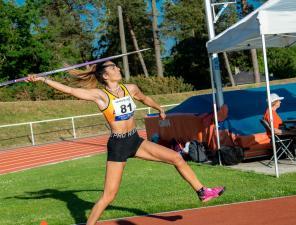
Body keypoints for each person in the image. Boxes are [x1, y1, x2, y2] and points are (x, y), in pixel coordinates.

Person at [26, 61, 225, 225]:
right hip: (119, 145)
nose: (118, 69)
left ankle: (202, 191)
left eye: (116, 66)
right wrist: (44, 79)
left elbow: (144, 98)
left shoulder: (130, 88)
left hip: (134, 140)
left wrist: (159, 108)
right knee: (109, 196)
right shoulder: (101, 96)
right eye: (113, 68)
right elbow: (70, 90)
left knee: (176, 157)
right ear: (105, 76)